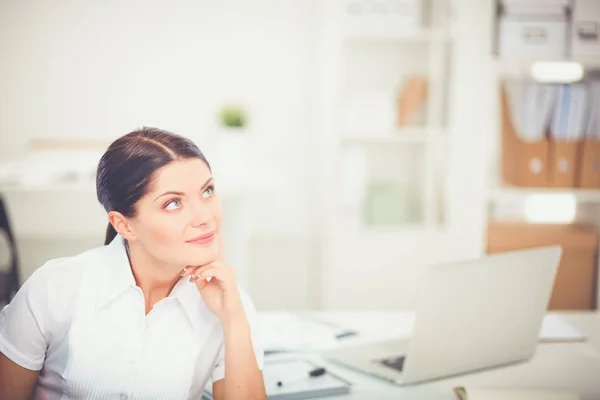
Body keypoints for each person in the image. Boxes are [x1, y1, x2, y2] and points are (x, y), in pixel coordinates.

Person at [0, 128, 267, 400]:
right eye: (174, 203)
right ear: (124, 225)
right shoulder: (54, 287)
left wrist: (234, 320)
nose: (205, 217)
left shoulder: (230, 304)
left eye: (207, 191)